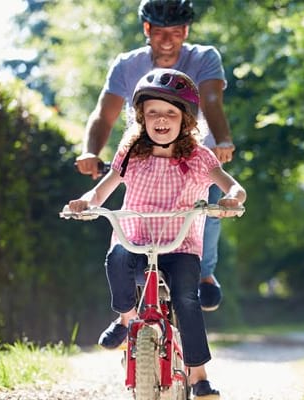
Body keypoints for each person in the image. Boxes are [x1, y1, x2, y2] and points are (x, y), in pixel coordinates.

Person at [65, 69, 246, 398]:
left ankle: (199, 377)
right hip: (134, 240)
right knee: (116, 258)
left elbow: (232, 186)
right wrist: (86, 202)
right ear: (141, 117)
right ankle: (126, 319)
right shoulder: (132, 153)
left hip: (180, 246)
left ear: (186, 120)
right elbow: (103, 190)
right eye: (152, 113)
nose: (161, 119)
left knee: (186, 301)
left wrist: (233, 199)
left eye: (170, 113)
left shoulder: (198, 156)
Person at [75, 0, 231, 312]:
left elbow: (211, 100)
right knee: (129, 216)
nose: (168, 40)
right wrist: (91, 151)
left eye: (176, 32)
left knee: (208, 207)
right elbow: (104, 116)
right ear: (147, 29)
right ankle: (126, 316)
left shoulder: (204, 57)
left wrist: (223, 140)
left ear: (186, 31)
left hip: (191, 156)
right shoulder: (126, 64)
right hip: (145, 157)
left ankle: (205, 274)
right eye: (160, 32)